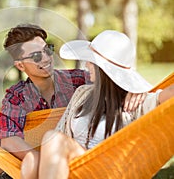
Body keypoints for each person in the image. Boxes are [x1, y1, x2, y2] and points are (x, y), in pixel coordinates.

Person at [0, 25, 145, 179]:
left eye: (47, 50)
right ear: (20, 66)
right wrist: (39, 158)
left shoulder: (77, 80)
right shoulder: (17, 96)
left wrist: (134, 90)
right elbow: (9, 138)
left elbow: (110, 79)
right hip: (40, 154)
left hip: (74, 154)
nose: (46, 58)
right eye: (37, 56)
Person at [21, 30, 174, 179]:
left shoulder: (137, 102)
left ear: (105, 69)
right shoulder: (83, 93)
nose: (87, 65)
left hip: (106, 171)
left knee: (53, 138)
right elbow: (61, 132)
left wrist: (142, 91)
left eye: (91, 61)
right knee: (31, 161)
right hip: (72, 167)